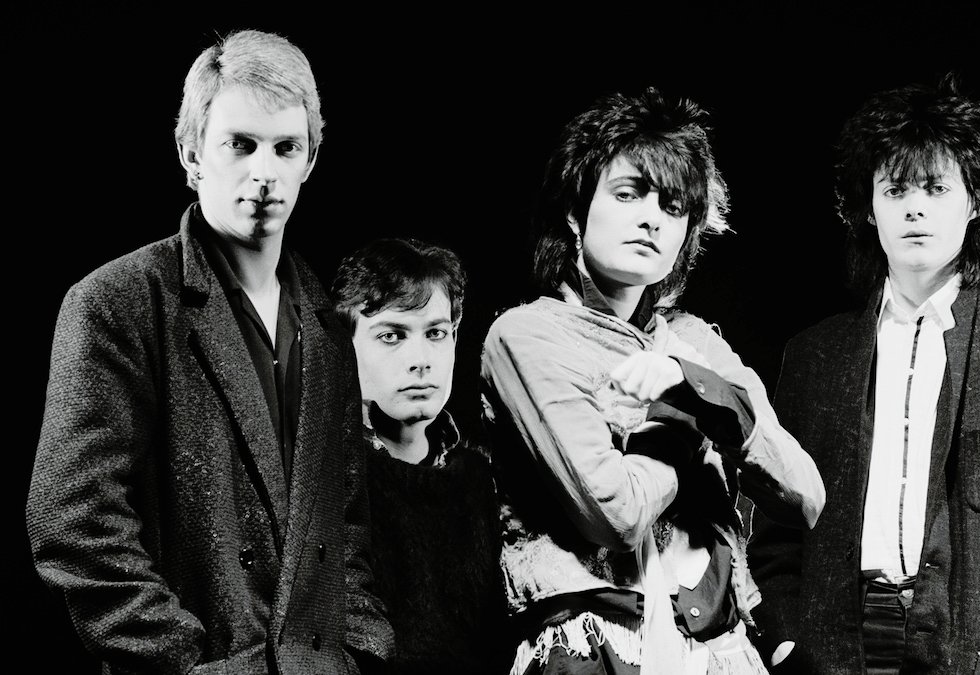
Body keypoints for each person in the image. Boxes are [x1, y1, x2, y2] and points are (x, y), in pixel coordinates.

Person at [26, 29, 394, 674]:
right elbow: (72, 520)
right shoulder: (117, 302)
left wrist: (361, 649)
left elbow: (345, 527)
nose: (264, 173)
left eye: (286, 148)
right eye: (240, 144)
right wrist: (189, 664)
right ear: (191, 152)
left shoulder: (330, 331)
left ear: (310, 161)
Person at [747, 73, 980, 675]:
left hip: (976, 653)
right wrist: (787, 644)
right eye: (895, 189)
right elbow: (773, 533)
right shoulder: (813, 355)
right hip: (833, 653)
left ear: (975, 202)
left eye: (936, 187)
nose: (915, 207)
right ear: (868, 208)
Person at [479, 86, 826, 675]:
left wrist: (692, 384)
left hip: (719, 650)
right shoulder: (527, 335)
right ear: (575, 210)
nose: (651, 218)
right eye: (628, 193)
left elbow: (805, 497)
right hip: (594, 652)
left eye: (673, 206)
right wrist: (690, 414)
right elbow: (614, 513)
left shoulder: (695, 343)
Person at [331, 238, 510, 674]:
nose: (420, 361)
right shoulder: (326, 478)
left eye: (436, 334)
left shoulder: (486, 478)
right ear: (344, 345)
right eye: (391, 336)